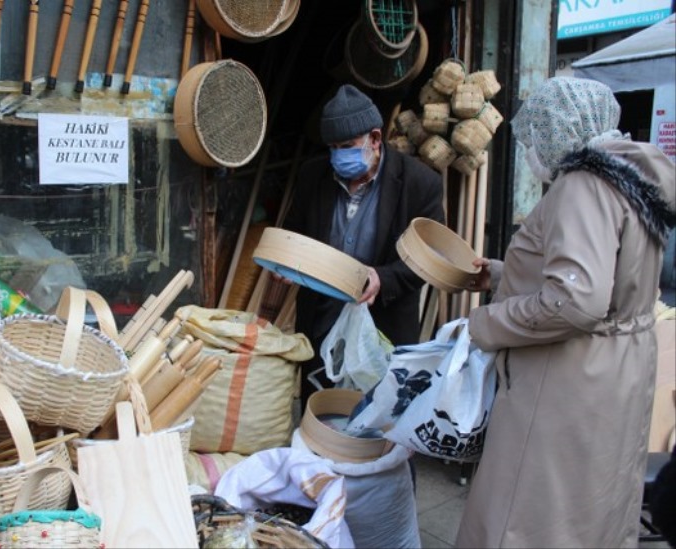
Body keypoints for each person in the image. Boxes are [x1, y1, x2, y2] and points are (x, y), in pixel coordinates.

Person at [456, 76, 676, 548]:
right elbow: (609, 281)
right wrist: (500, 274)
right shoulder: (629, 180)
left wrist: (484, 324)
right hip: (617, 371)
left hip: (569, 380)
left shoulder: (583, 185)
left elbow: (576, 301)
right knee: (592, 513)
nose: (532, 149)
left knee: (530, 517)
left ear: (556, 130)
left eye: (536, 135)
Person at [281, 84, 445, 408]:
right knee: (324, 420)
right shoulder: (313, 176)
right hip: (322, 325)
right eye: (333, 147)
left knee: (381, 426)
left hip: (383, 331)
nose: (339, 155)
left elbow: (430, 259)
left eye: (347, 145)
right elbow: (294, 233)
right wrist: (287, 264)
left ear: (374, 137)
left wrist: (383, 278)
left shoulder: (420, 183)